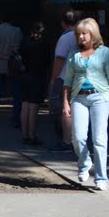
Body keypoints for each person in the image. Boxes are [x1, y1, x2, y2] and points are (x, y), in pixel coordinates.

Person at [61, 18, 109, 191]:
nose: (81, 37)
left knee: (99, 139)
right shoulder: (73, 53)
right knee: (78, 136)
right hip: (78, 98)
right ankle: (84, 164)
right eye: (78, 34)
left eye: (84, 33)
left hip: (100, 97)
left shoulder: (104, 52)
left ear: (93, 34)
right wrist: (65, 103)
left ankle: (101, 177)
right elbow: (67, 80)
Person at [48, 10, 79, 152]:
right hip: (79, 78)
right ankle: (76, 140)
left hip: (64, 77)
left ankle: (67, 141)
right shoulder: (82, 36)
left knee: (65, 110)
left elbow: (59, 59)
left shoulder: (65, 38)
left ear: (63, 23)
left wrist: (53, 79)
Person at [18, 22, 49, 145]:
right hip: (37, 76)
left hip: (24, 74)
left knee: (25, 105)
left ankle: (24, 135)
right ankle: (32, 135)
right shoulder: (43, 45)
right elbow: (47, 62)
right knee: (34, 106)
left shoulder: (24, 43)